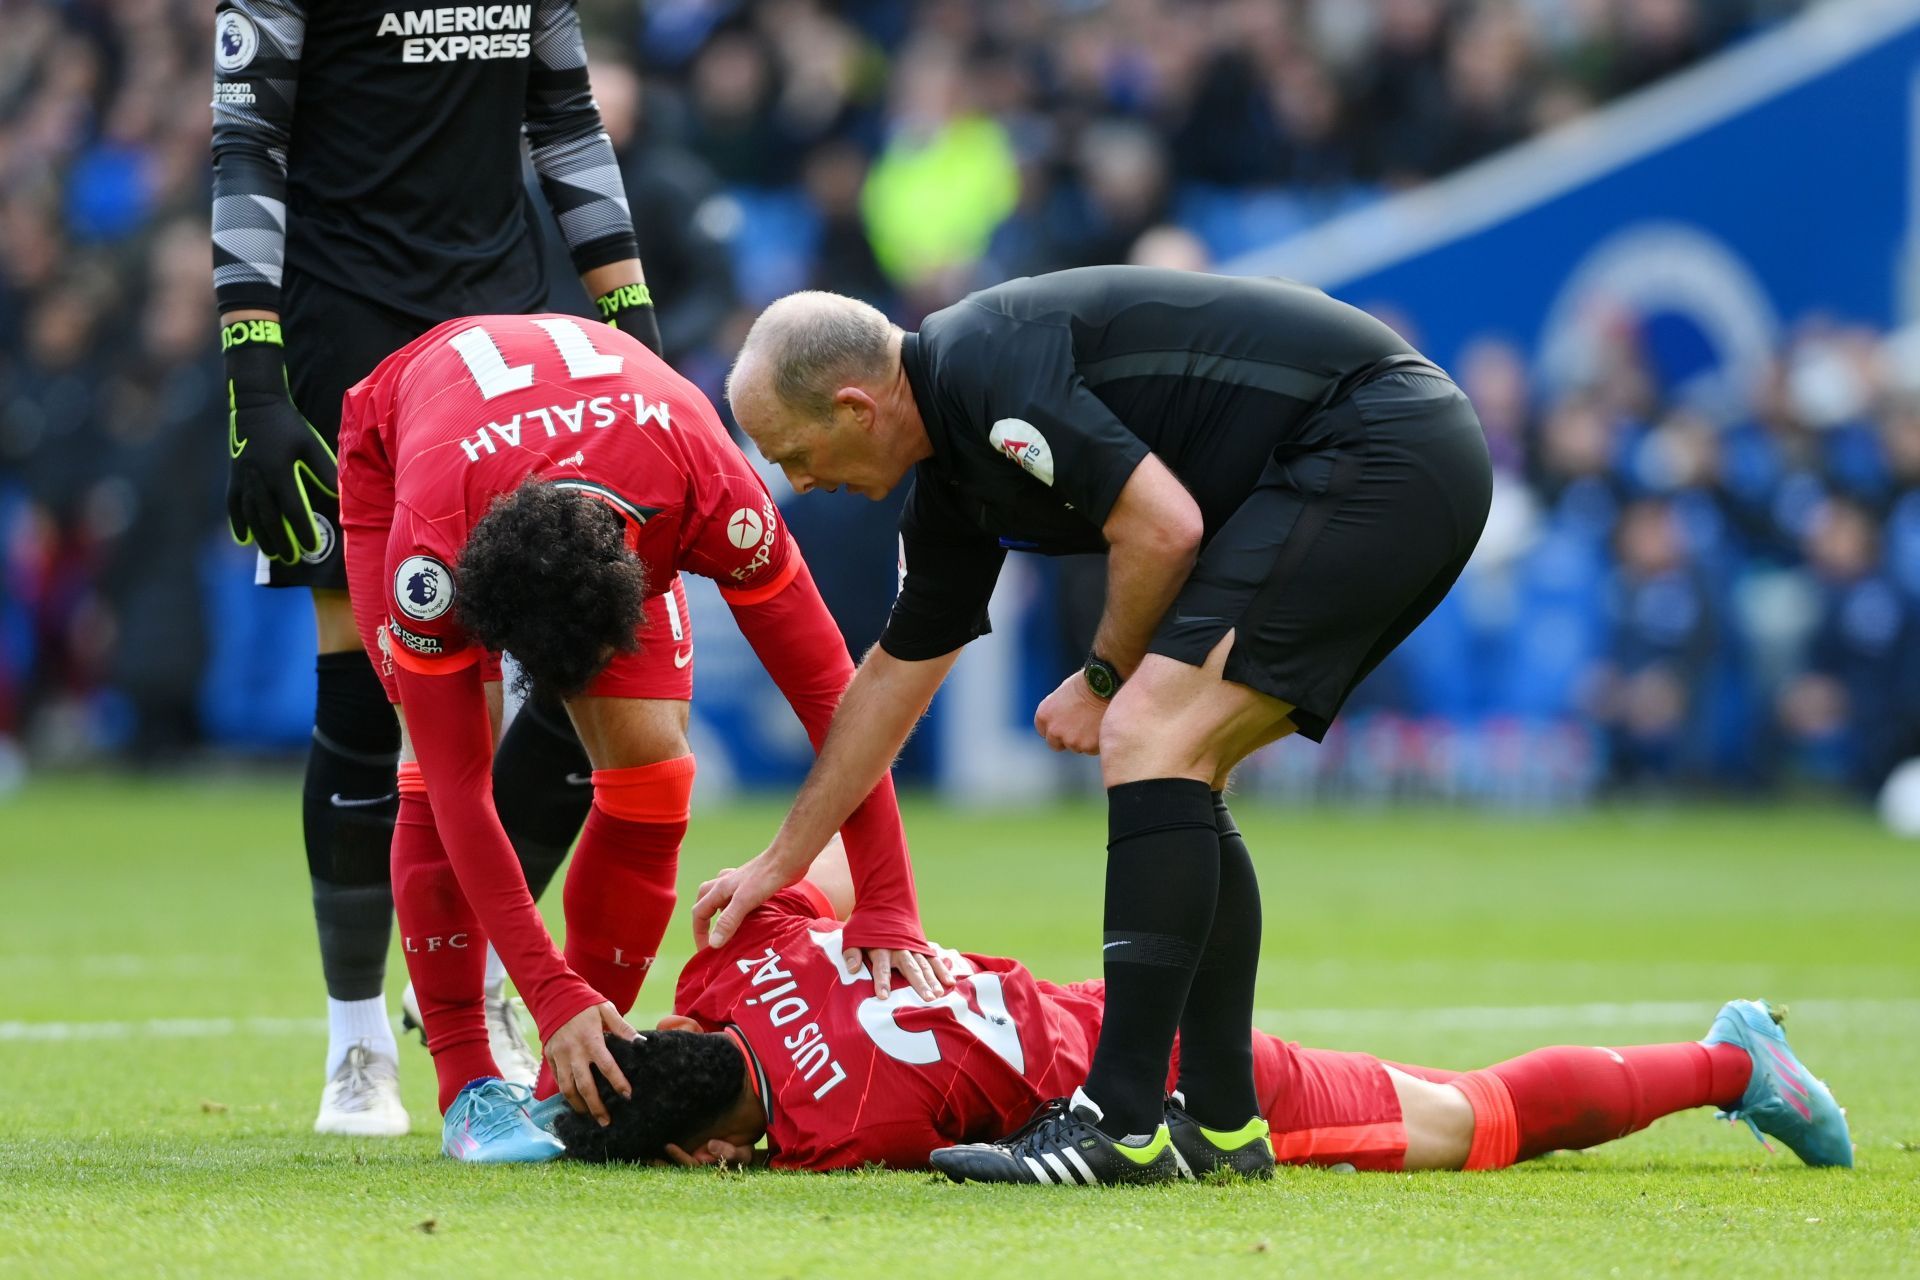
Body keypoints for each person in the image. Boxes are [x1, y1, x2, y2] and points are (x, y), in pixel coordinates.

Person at [704, 267, 1494, 1183]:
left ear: (855, 408)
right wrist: (782, 862)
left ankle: (1119, 1123)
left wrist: (1103, 677)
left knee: (1148, 734)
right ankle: (1224, 1122)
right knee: (1178, 761)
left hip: (1377, 442)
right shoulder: (954, 478)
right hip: (1376, 451)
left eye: (793, 452)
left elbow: (1162, 527)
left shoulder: (979, 367)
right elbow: (886, 684)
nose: (798, 480)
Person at [333, 311, 945, 1161]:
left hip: (624, 461)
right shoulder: (428, 559)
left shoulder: (711, 490)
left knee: (655, 773)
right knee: (430, 769)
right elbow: (460, 793)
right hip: (403, 444)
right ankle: (469, 1084)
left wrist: (888, 901)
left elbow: (832, 698)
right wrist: (549, 990)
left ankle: (573, 1090)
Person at [211, 0, 664, 1133]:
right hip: (340, 336)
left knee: (569, 654)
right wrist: (254, 370)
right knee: (369, 689)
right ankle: (356, 1041)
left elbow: (565, 118)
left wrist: (629, 311)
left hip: (505, 336)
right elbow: (246, 147)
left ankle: (473, 971)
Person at [550, 843, 1854, 1176]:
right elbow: (826, 869)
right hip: (1121, 1008)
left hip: (1164, 1082)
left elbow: (810, 1117)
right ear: (661, 1026)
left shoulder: (834, 1140)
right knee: (1456, 1102)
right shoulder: (724, 963)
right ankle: (1726, 1063)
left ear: (700, 1153)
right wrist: (786, 885)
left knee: (1481, 1120)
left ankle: (1732, 1067)